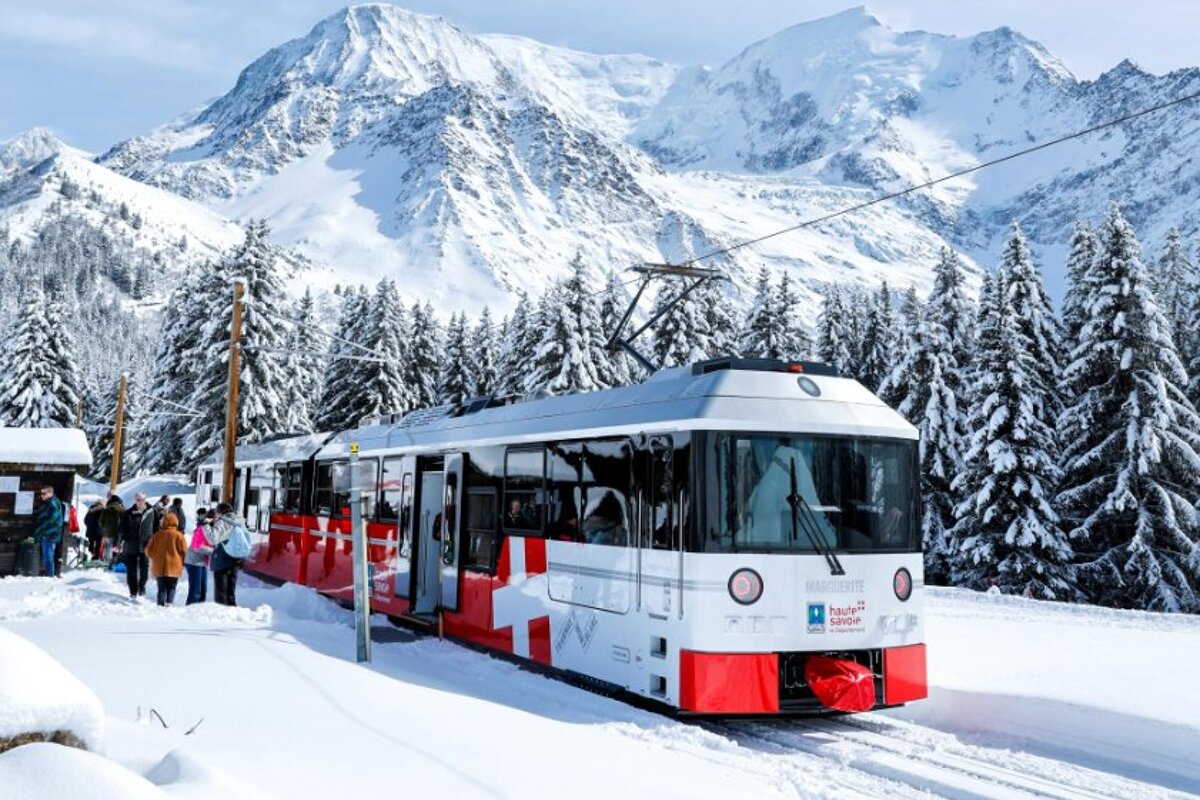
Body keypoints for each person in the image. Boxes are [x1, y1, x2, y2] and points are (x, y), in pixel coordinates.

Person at [120, 493, 158, 598]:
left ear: (145, 500)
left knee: (144, 568)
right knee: (131, 570)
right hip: (131, 545)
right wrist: (122, 540)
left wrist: (154, 541)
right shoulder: (128, 513)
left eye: (141, 500)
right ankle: (133, 591)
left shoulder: (152, 511)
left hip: (146, 545)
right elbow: (122, 529)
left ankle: (142, 587)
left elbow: (156, 528)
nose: (139, 502)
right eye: (137, 500)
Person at [209, 502, 248, 606]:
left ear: (221, 512)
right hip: (235, 559)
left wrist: (207, 526)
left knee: (221, 590)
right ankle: (232, 609)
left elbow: (212, 539)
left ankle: (221, 612)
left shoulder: (222, 522)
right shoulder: (239, 522)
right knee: (231, 589)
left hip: (222, 559)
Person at [145, 512, 188, 606]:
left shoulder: (156, 535)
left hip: (159, 566)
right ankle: (169, 603)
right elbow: (184, 551)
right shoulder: (179, 536)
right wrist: (183, 562)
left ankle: (160, 605)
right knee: (172, 587)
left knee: (161, 588)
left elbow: (148, 551)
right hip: (175, 566)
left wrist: (155, 556)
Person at [184, 508, 214, 605]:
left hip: (201, 562)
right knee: (196, 591)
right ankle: (189, 613)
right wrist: (214, 551)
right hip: (194, 562)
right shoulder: (202, 528)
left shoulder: (210, 529)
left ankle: (199, 612)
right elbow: (197, 547)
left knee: (202, 591)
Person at [34, 486, 64, 577]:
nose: (42, 495)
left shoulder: (53, 502)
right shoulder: (47, 503)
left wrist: (42, 529)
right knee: (46, 556)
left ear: (50, 493)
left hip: (51, 534)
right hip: (46, 533)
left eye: (44, 493)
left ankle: (50, 576)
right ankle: (49, 574)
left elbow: (52, 519)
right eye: (41, 493)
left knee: (48, 556)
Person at [99, 494, 126, 566]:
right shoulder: (122, 510)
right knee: (117, 549)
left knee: (107, 549)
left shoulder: (107, 509)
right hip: (118, 534)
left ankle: (107, 564)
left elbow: (101, 521)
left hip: (107, 533)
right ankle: (115, 564)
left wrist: (106, 527)